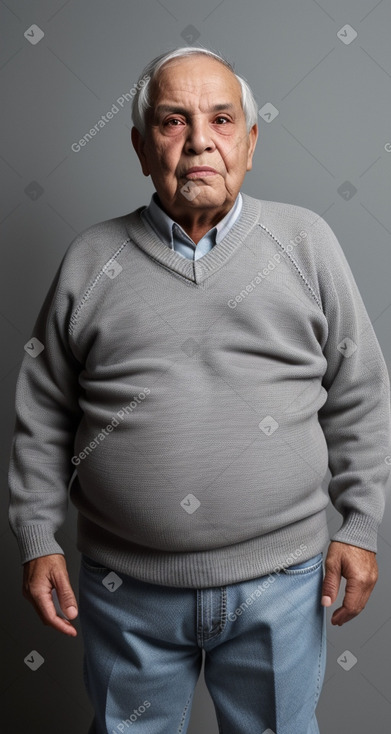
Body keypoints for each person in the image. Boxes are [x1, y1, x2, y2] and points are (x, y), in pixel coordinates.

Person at [8, 46, 391, 734]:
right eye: (171, 122)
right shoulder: (91, 259)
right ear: (139, 145)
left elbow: (360, 390)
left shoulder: (306, 243)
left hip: (282, 585)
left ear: (248, 141)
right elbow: (43, 410)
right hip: (125, 593)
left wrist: (360, 524)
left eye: (220, 119)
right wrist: (37, 536)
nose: (197, 142)